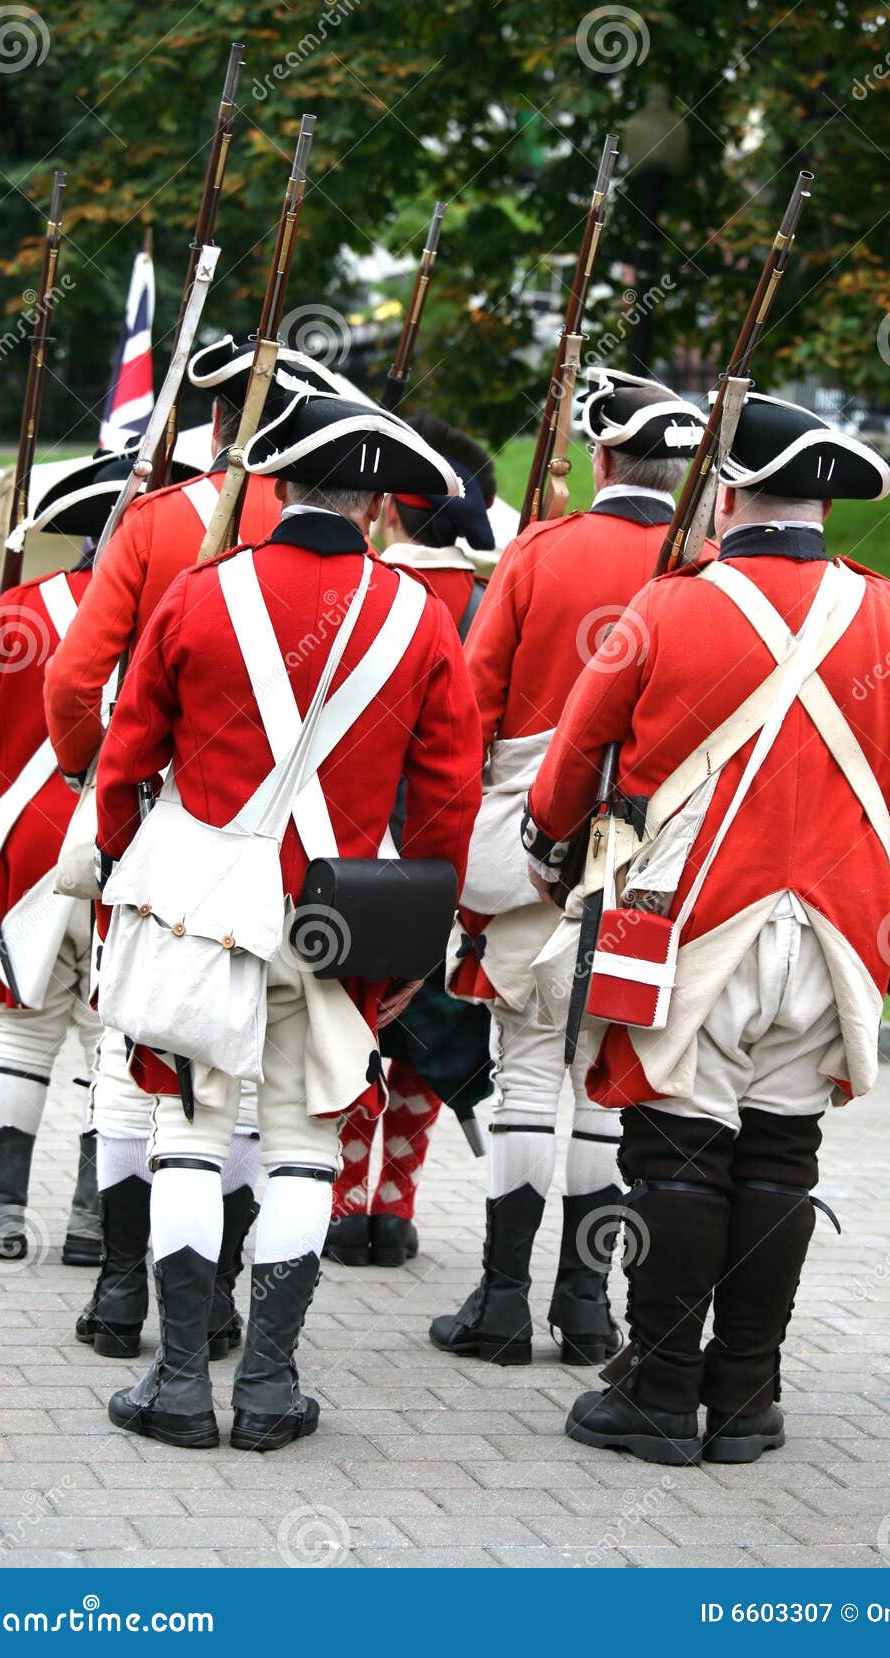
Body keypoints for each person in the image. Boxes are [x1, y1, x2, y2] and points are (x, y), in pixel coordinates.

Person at [522, 390, 890, 1464]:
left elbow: (565, 773)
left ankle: (658, 1386)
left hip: (687, 923)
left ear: (725, 490)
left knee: (677, 1157)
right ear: (823, 504)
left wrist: (552, 856)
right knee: (780, 1157)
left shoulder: (667, 607)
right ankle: (743, 1399)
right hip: (837, 934)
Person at [94, 384, 483, 1452]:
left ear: (278, 480)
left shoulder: (201, 590)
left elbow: (127, 756)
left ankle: (179, 1386)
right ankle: (267, 1388)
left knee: (189, 1134)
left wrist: (127, 862)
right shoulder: (421, 614)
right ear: (373, 504)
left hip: (197, 911)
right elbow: (447, 791)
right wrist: (415, 928)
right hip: (340, 919)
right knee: (306, 1147)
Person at [43, 342, 343, 1364]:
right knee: (262, 1098)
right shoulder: (350, 540)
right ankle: (216, 1302)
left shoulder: (156, 521)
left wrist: (105, 800)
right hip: (317, 859)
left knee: (143, 1070)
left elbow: (76, 685)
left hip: (178, 839)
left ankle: (127, 1290)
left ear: (213, 419)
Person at [430, 369, 704, 1367]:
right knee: (599, 1076)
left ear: (600, 459)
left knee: (528, 1065)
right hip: (652, 867)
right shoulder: (706, 567)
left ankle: (501, 1302)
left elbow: (473, 707)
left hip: (531, 852)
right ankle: (583, 1307)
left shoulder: (544, 550)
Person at [0, 461, 132, 1265]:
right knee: (109, 1038)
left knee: (19, 1030)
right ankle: (91, 1226)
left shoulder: (24, 612)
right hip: (127, 852)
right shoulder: (176, 613)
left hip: (30, 849)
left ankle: (0, 1212)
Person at [326, 412, 498, 1267]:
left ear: (391, 509)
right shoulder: (492, 599)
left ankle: (341, 1195)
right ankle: (394, 1203)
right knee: (430, 1033)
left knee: (347, 1025)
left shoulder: (359, 591)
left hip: (348, 845)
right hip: (450, 851)